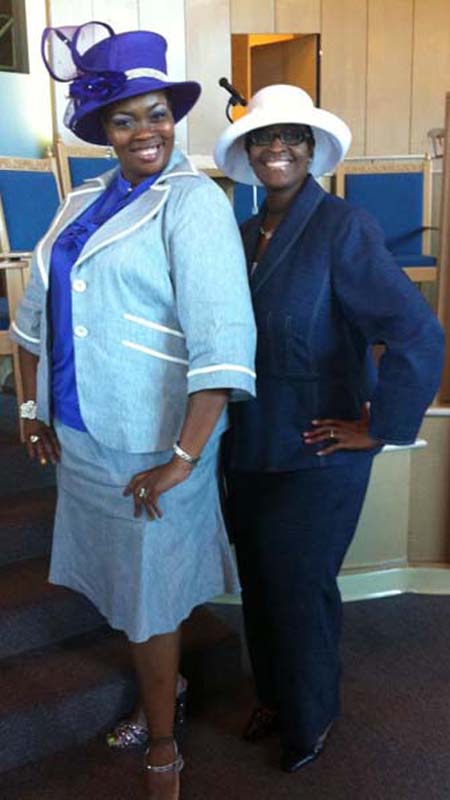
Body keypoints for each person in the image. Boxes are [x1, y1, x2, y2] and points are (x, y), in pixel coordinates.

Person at [11, 22, 256, 800]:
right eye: (124, 119)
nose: (146, 131)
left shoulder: (195, 203)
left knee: (151, 595)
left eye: (157, 114)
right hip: (83, 431)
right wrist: (30, 405)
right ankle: (166, 689)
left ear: (173, 117)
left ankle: (162, 741)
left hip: (155, 443)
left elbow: (223, 341)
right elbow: (33, 312)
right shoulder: (80, 198)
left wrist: (181, 460)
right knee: (126, 587)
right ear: (103, 129)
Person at [214, 84, 444, 773]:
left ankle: (310, 716)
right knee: (260, 583)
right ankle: (274, 696)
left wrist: (381, 426)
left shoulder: (345, 227)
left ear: (312, 150)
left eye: (292, 136)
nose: (277, 148)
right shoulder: (241, 235)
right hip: (249, 444)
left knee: (299, 587)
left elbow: (417, 332)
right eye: (263, 137)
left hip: (317, 453)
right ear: (248, 150)